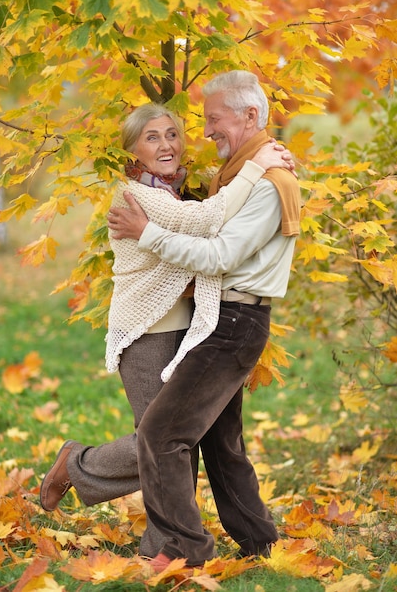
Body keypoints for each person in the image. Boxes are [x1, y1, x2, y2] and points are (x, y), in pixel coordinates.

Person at [39, 100, 295, 559]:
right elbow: (206, 221)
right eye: (152, 137)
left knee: (176, 440)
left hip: (191, 330)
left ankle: (164, 545)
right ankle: (77, 466)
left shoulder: (177, 191)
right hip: (146, 333)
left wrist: (261, 161)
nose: (166, 144)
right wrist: (257, 167)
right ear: (133, 151)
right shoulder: (137, 197)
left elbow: (209, 221)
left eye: (172, 134)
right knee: (158, 441)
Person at [110, 70, 301, 571]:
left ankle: (180, 550)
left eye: (213, 120)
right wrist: (256, 164)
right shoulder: (243, 170)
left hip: (235, 322)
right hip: (221, 316)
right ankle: (260, 542)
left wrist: (146, 232)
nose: (206, 130)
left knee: (161, 433)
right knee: (220, 441)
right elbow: (208, 213)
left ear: (250, 116)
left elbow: (218, 253)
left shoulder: (264, 180)